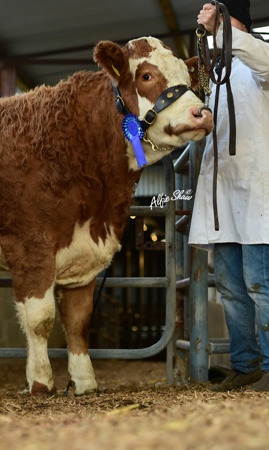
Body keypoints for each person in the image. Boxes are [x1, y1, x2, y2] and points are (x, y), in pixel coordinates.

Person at [189, 0, 269, 391]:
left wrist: (221, 29)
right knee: (232, 290)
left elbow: (261, 61)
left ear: (237, 23)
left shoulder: (260, 59)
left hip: (259, 196)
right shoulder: (218, 74)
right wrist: (205, 118)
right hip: (224, 198)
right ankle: (245, 365)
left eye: (222, 19)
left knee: (260, 285)